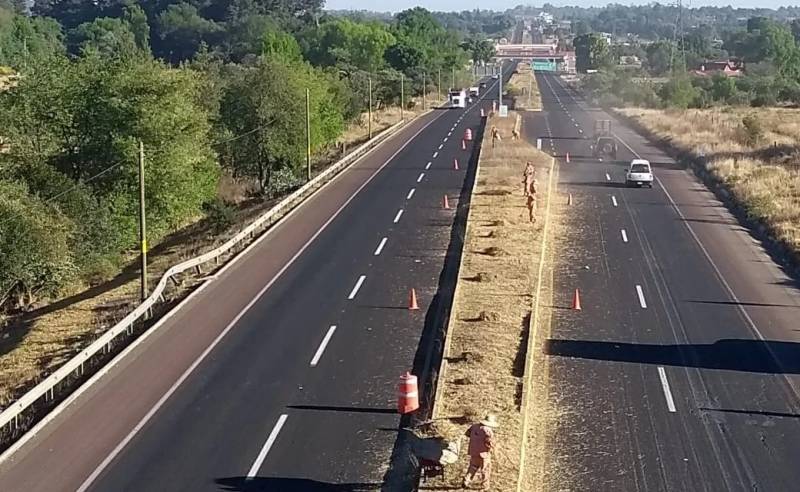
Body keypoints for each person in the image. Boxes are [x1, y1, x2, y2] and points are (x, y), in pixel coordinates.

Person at [462, 414, 498, 490]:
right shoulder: (488, 431)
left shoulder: (474, 427)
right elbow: (490, 442)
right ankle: (485, 486)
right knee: (485, 469)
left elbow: (467, 434)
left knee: (473, 467)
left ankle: (466, 480)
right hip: (484, 453)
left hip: (473, 451)